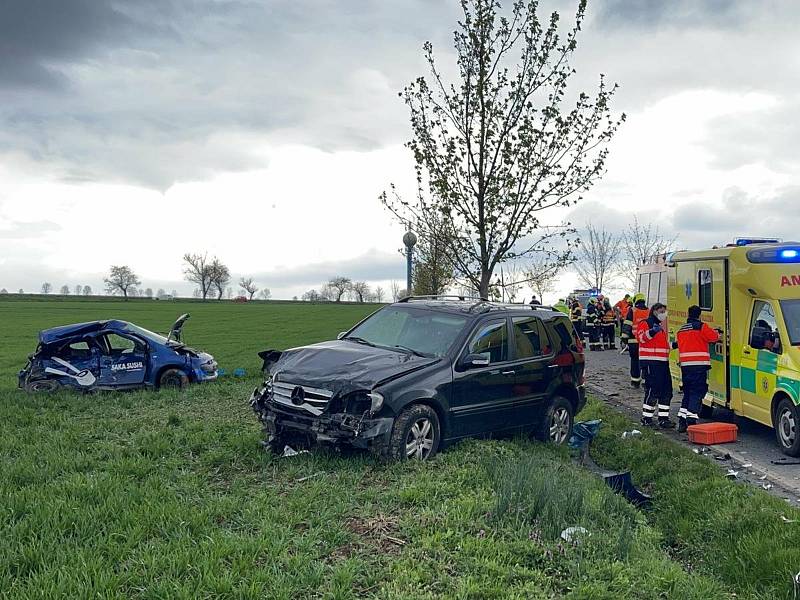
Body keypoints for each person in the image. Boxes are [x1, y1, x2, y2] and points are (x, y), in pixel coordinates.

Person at [674, 305, 720, 432]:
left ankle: (682, 421)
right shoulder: (701, 327)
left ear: (688, 315)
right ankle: (691, 420)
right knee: (697, 392)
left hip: (685, 367)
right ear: (699, 315)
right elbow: (714, 338)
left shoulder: (682, 330)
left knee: (687, 394)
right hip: (698, 366)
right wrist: (718, 332)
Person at [636, 302, 674, 428]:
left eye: (665, 311)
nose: (664, 314)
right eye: (661, 311)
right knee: (653, 390)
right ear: (654, 311)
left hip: (662, 363)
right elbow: (641, 338)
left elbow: (664, 346)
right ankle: (646, 418)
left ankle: (663, 418)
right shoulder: (645, 323)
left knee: (666, 390)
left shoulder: (660, 327)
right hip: (650, 363)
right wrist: (652, 331)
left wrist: (675, 345)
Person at [620, 293, 649, 387]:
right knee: (645, 361)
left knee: (635, 361)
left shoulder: (632, 310)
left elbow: (627, 324)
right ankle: (645, 381)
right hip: (646, 342)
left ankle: (635, 381)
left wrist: (624, 339)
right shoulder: (649, 311)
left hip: (634, 341)